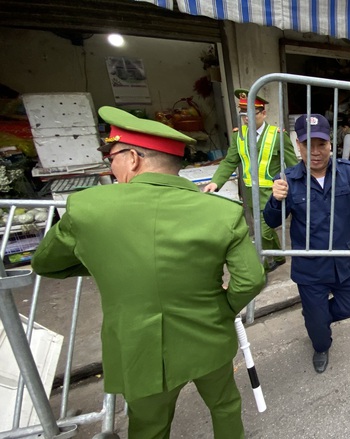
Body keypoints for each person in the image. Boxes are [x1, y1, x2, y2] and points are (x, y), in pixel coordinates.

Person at [31, 107, 266, 438]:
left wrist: (107, 264)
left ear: (132, 158)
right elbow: (252, 279)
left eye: (111, 157)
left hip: (138, 348)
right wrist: (223, 310)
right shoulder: (222, 211)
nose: (110, 167)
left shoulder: (88, 207)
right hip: (209, 337)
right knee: (225, 406)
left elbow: (45, 263)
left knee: (149, 427)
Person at [264, 114, 350, 373]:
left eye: (321, 144)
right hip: (310, 269)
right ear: (298, 146)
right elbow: (270, 221)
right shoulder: (289, 180)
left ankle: (315, 317)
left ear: (330, 145)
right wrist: (275, 199)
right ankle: (320, 344)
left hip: (344, 262)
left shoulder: (348, 172)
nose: (315, 152)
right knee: (319, 333)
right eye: (308, 145)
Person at [204, 89, 299, 273]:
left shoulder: (278, 135)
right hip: (250, 194)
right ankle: (278, 256)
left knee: (262, 231)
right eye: (242, 114)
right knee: (264, 229)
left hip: (272, 195)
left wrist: (298, 190)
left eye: (250, 113)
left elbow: (293, 165)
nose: (246, 119)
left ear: (263, 113)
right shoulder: (239, 136)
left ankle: (261, 268)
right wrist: (216, 182)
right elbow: (230, 161)